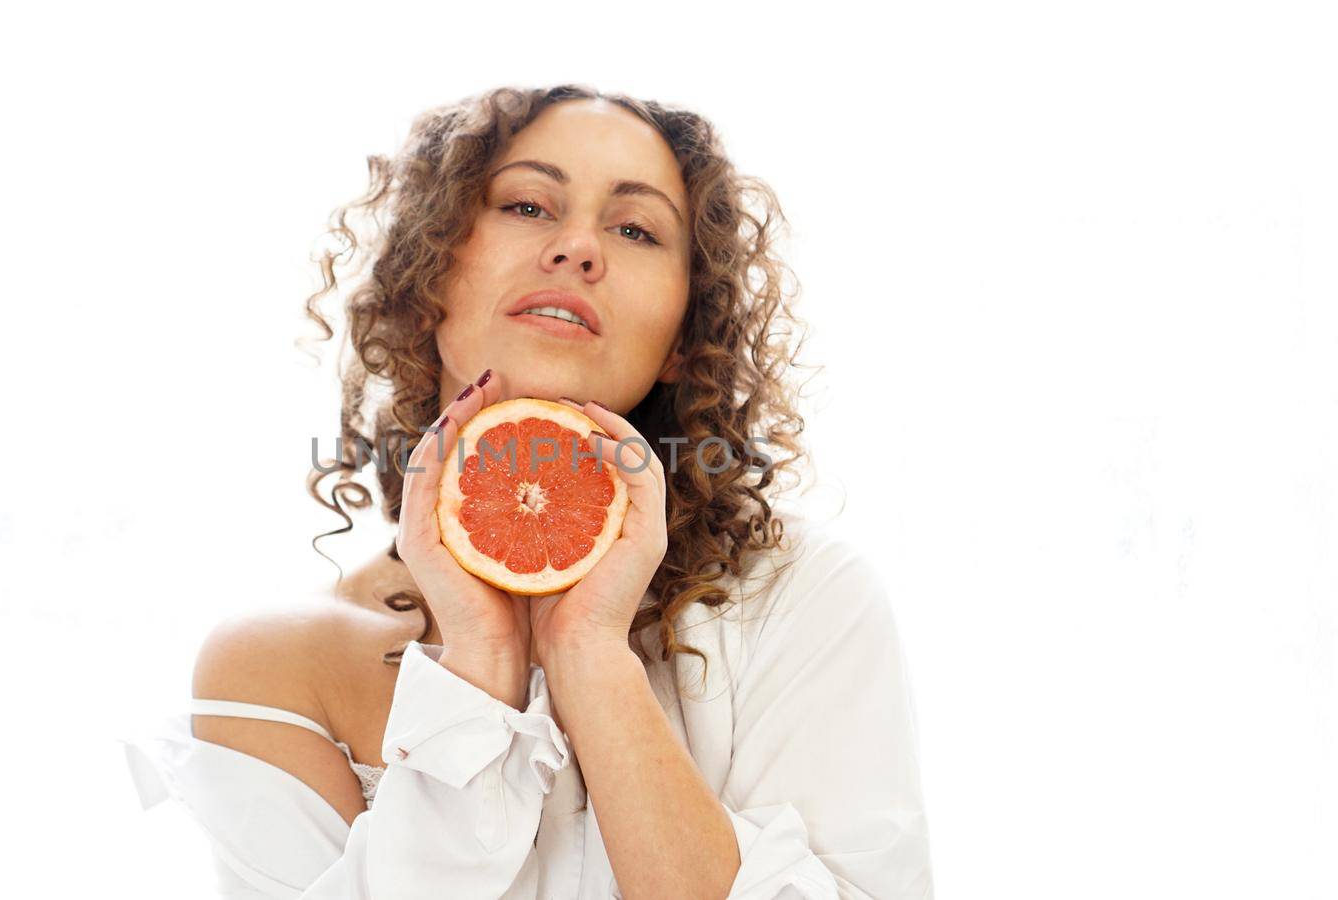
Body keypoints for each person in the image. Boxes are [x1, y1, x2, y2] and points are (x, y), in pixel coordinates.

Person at [119, 84, 934, 899]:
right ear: (426, 270)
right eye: (528, 206)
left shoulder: (801, 603)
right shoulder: (278, 668)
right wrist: (479, 668)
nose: (580, 249)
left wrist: (591, 659)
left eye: (635, 228)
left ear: (685, 339)